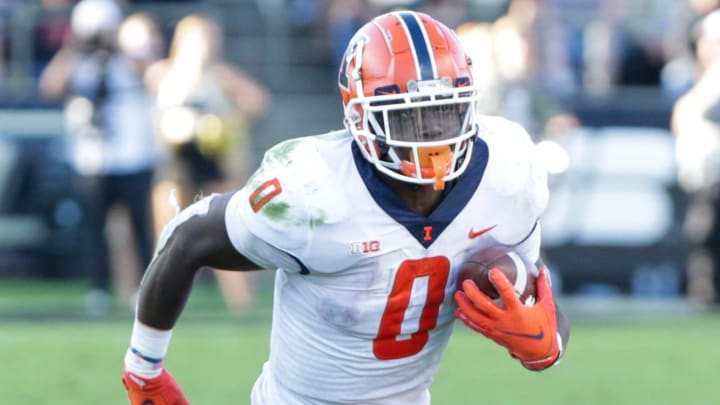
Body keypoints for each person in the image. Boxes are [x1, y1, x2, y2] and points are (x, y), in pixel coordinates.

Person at [121, 11, 570, 404]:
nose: (432, 134)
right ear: (360, 116)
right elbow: (189, 236)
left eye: (445, 111)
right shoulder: (311, 193)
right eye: (407, 117)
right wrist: (144, 370)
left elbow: (538, 297)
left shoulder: (507, 171)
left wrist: (547, 342)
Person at [39, 0, 163, 314]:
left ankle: (145, 287)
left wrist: (117, 46)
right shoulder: (77, 61)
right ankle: (98, 288)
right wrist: (73, 49)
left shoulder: (128, 58)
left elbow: (150, 77)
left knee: (139, 228)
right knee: (94, 228)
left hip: (132, 155)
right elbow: (50, 87)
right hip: (92, 158)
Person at [144, 14, 271, 313]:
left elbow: (258, 102)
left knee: (226, 233)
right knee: (167, 236)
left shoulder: (221, 75)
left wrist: (229, 123)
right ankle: (154, 304)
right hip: (175, 161)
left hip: (212, 160)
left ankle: (242, 306)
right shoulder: (164, 73)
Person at [672, 9, 720, 304]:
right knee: (702, 238)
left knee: (706, 236)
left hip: (714, 174)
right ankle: (704, 294)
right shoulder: (703, 78)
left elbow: (697, 112)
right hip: (705, 175)